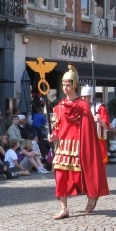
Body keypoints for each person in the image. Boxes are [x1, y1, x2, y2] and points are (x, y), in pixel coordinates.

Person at [48, 65, 109, 219]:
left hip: (79, 145)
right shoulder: (59, 107)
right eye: (63, 84)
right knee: (60, 176)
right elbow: (57, 127)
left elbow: (88, 129)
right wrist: (53, 136)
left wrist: (86, 146)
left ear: (74, 85)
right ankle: (64, 208)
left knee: (86, 173)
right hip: (63, 146)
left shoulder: (82, 106)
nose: (65, 87)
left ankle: (92, 196)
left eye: (68, 84)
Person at [80, 85, 110, 162]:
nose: (83, 99)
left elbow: (107, 125)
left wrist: (99, 121)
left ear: (91, 96)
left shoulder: (100, 108)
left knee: (99, 163)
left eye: (85, 97)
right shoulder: (81, 108)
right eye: (82, 97)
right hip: (85, 139)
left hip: (98, 139)